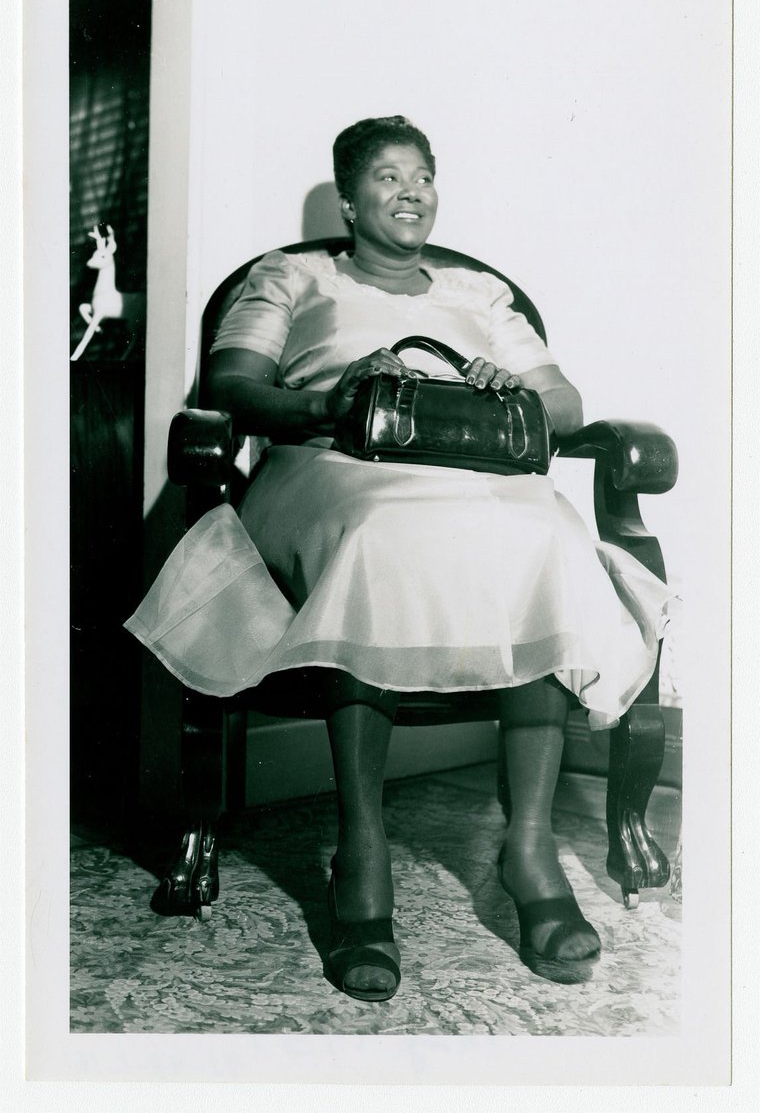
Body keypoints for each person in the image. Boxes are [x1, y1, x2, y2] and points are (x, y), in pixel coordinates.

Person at [127, 115, 676, 1001]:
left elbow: (565, 406)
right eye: (387, 177)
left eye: (422, 176)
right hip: (329, 468)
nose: (410, 191)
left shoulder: (477, 294)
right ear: (349, 201)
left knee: (542, 536)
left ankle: (529, 849)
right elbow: (231, 388)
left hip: (469, 474)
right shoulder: (291, 277)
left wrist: (508, 388)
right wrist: (329, 399)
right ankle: (363, 852)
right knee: (380, 537)